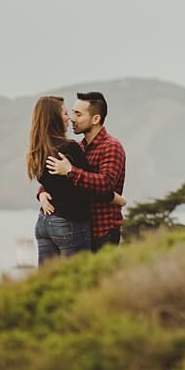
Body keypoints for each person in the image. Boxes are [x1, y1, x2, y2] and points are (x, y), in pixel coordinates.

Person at [26, 96, 122, 263]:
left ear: (95, 119)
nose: (71, 118)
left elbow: (61, 183)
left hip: (53, 224)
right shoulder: (72, 148)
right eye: (67, 113)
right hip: (70, 224)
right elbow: (69, 185)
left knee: (52, 281)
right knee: (77, 281)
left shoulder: (40, 149)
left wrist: (68, 173)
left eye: (78, 114)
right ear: (54, 118)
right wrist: (116, 199)